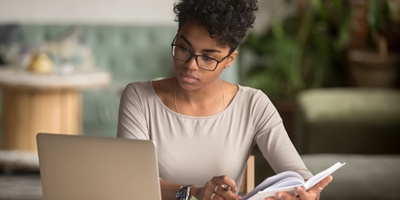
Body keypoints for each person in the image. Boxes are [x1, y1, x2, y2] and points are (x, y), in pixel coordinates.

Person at [117, 0, 333, 200]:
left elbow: (297, 174)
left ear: (230, 59)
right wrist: (194, 193)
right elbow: (130, 182)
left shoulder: (253, 104)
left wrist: (306, 191)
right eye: (184, 48)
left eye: (208, 57)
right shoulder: (139, 97)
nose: (191, 64)